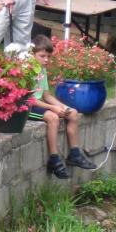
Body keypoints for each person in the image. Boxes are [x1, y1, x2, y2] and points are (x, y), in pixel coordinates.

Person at [29, 35, 96, 179]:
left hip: (40, 104)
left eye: (48, 56)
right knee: (53, 118)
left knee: (73, 113)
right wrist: (53, 109)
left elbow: (46, 95)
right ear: (32, 54)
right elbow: (30, 100)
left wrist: (63, 107)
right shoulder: (28, 71)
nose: (46, 60)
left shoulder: (42, 70)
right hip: (27, 108)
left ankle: (75, 154)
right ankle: (54, 159)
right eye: (42, 56)